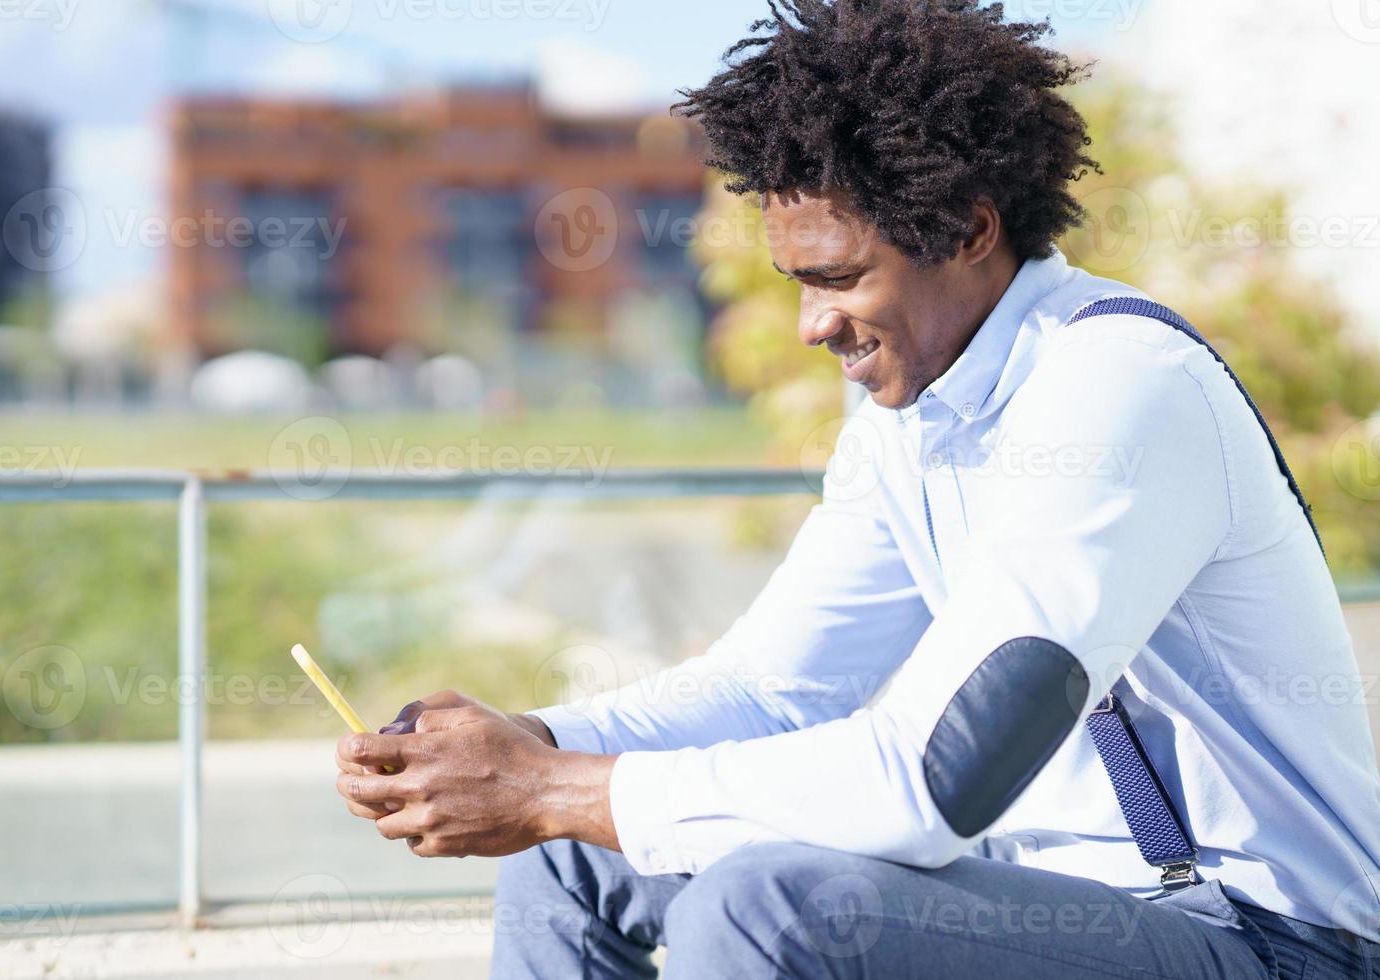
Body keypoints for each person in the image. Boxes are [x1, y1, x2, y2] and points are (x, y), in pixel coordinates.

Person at [335, 2, 1380, 976]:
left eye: (840, 278)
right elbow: (772, 688)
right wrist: (531, 745)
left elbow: (933, 782)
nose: (811, 325)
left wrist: (550, 789)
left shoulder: (1118, 385)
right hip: (1055, 903)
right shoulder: (910, 414)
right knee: (563, 856)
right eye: (799, 283)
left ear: (971, 231)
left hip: (1266, 932)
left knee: (761, 901)